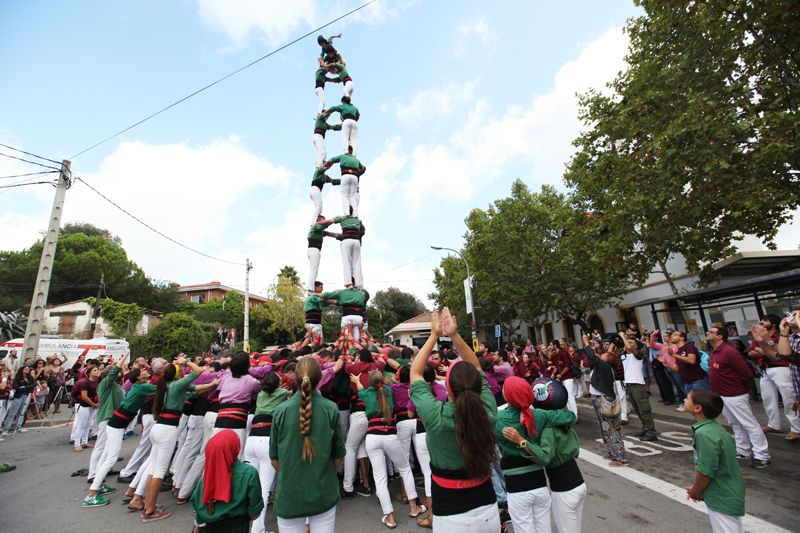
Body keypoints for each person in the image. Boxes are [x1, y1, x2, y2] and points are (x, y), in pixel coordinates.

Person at [410, 308, 500, 532]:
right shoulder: (488, 411)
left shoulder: (436, 416)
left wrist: (434, 335)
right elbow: (476, 366)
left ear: (448, 388)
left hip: (451, 514)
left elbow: (416, 374)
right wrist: (454, 335)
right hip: (489, 509)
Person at [269, 356, 345, 532]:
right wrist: (322, 476)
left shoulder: (280, 411)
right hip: (323, 493)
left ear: (294, 378)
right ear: (319, 379)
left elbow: (274, 458)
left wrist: (291, 476)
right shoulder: (331, 408)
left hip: (289, 495)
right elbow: (338, 456)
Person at [495, 376, 576, 533]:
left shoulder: (498, 419)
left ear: (507, 396)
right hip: (540, 486)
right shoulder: (539, 415)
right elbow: (570, 417)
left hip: (516, 488)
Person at [136, 355, 206, 522]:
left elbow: (195, 388)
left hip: (159, 427)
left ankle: (149, 505)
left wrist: (213, 384)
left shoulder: (166, 384)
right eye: (180, 370)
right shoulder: (176, 384)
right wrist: (186, 361)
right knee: (159, 471)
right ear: (175, 374)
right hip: (167, 430)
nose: (182, 372)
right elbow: (198, 371)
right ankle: (150, 510)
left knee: (154, 469)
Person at [352, 369, 424, 528]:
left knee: (379, 477)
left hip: (372, 437)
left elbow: (360, 390)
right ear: (383, 380)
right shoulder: (389, 391)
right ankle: (414, 507)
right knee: (405, 469)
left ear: (370, 383)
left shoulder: (366, 393)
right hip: (390, 435)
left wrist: (357, 380)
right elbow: (385, 385)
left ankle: (390, 517)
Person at [82, 366, 157, 508]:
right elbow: (163, 389)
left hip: (116, 424)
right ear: (139, 377)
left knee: (106, 456)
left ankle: (98, 484)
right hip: (116, 425)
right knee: (111, 458)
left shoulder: (139, 386)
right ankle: (91, 495)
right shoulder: (142, 387)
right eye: (143, 371)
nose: (146, 371)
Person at [706, 326, 771, 468]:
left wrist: (743, 390)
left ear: (720, 336)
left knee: (749, 424)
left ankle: (762, 455)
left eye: (711, 332)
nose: (707, 333)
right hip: (722, 394)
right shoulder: (715, 351)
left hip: (735, 394)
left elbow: (746, 374)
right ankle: (743, 450)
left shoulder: (729, 352)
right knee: (735, 423)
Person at [685, 389, 745, 533]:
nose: (684, 400)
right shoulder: (714, 429)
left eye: (687, 399)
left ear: (698, 408)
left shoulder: (704, 434)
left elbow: (706, 470)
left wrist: (695, 491)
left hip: (721, 493)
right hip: (728, 490)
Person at [192, 429, 264, 533]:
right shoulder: (249, 473)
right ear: (236, 448)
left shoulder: (204, 480)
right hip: (238, 527)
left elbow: (199, 513)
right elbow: (255, 512)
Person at [243, 371, 288, 533]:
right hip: (266, 440)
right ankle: (257, 529)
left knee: (250, 486)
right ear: (278, 383)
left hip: (252, 440)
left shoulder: (261, 395)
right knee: (263, 487)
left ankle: (245, 525)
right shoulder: (283, 393)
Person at [750, 313, 800, 439]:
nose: (790, 318)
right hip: (766, 368)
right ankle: (773, 424)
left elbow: (784, 354)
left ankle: (796, 428)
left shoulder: (783, 336)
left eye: (795, 315)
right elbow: (778, 354)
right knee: (768, 398)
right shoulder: (790, 337)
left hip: (781, 369)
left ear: (773, 324)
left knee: (789, 398)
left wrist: (767, 342)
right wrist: (763, 342)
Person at [581, 335, 627, 466]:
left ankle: (620, 457)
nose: (602, 355)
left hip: (605, 400)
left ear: (607, 360)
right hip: (598, 399)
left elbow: (591, 356)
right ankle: (612, 451)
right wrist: (610, 345)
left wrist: (586, 342)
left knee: (612, 428)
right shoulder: (603, 365)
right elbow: (603, 354)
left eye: (605, 355)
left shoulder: (605, 367)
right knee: (605, 427)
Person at [87, 356, 127, 484]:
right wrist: (125, 357)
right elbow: (115, 372)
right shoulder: (105, 383)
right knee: (100, 446)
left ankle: (105, 469)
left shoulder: (114, 385)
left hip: (113, 418)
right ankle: (93, 474)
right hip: (106, 417)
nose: (120, 373)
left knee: (109, 446)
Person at [620, 332, 657, 441]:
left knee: (644, 409)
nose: (628, 344)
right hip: (629, 385)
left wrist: (623, 336)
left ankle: (651, 432)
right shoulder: (625, 356)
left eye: (631, 342)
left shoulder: (638, 355)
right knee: (638, 409)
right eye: (628, 342)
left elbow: (629, 348)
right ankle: (645, 428)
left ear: (636, 346)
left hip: (638, 385)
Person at [323, 214, 365, 289]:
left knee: (347, 264)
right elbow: (337, 235)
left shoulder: (346, 231)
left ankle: (349, 284)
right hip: (356, 246)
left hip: (348, 245)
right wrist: (327, 233)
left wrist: (323, 229)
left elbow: (336, 234)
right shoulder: (356, 234)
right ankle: (359, 285)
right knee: (357, 265)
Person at [323, 148, 366, 217]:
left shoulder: (343, 156)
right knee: (352, 200)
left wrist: (323, 167)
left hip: (347, 179)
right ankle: (355, 215)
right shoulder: (356, 163)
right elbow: (363, 168)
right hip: (355, 191)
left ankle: (347, 214)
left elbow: (331, 160)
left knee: (345, 197)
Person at [71, 364, 101, 451]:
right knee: (81, 424)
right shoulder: (84, 382)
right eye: (94, 370)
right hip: (83, 405)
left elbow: (98, 393)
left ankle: (84, 442)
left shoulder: (97, 381)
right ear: (89, 373)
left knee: (88, 424)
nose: (97, 372)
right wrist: (93, 404)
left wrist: (97, 403)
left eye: (97, 370)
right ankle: (77, 444)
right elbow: (84, 396)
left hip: (91, 405)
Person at [1, 365, 35, 436]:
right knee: (13, 412)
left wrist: (25, 386)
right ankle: (6, 429)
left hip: (26, 396)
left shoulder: (30, 378)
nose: (27, 370)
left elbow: (33, 385)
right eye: (25, 369)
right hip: (18, 396)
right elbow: (16, 387)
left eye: (28, 369)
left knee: (22, 412)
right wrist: (25, 388)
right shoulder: (17, 377)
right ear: (22, 370)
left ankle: (18, 427)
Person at [307, 215, 336, 291]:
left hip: (314, 250)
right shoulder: (316, 226)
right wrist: (334, 220)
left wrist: (341, 236)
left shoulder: (319, 231)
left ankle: (311, 288)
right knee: (314, 271)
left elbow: (329, 234)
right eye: (323, 220)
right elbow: (323, 226)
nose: (324, 222)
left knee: (314, 271)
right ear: (318, 220)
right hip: (314, 250)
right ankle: (310, 289)